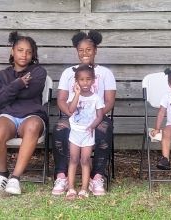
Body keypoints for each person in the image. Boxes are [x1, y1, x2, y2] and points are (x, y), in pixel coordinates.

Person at [52, 30, 116, 196]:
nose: (85, 53)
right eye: (81, 50)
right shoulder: (68, 73)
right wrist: (70, 113)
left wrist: (96, 116)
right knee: (59, 128)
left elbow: (109, 101)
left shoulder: (105, 73)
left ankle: (97, 177)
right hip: (73, 115)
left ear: (96, 50)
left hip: (97, 115)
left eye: (89, 49)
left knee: (104, 129)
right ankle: (62, 175)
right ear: (76, 51)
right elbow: (61, 100)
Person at [0, 32, 47, 195]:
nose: (24, 54)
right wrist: (19, 83)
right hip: (8, 116)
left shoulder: (39, 72)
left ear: (33, 54)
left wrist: (3, 91)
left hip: (32, 115)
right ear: (12, 51)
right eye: (20, 50)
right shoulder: (2, 74)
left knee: (33, 126)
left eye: (28, 51)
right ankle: (2, 174)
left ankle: (15, 178)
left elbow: (29, 93)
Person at [64, 65, 105, 200]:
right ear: (76, 81)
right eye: (81, 79)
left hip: (88, 134)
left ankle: (84, 189)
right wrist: (76, 94)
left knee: (85, 160)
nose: (85, 82)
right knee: (74, 159)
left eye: (88, 79)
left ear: (93, 80)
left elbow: (100, 116)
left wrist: (93, 126)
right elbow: (70, 109)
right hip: (75, 133)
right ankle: (70, 188)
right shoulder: (73, 95)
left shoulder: (96, 98)